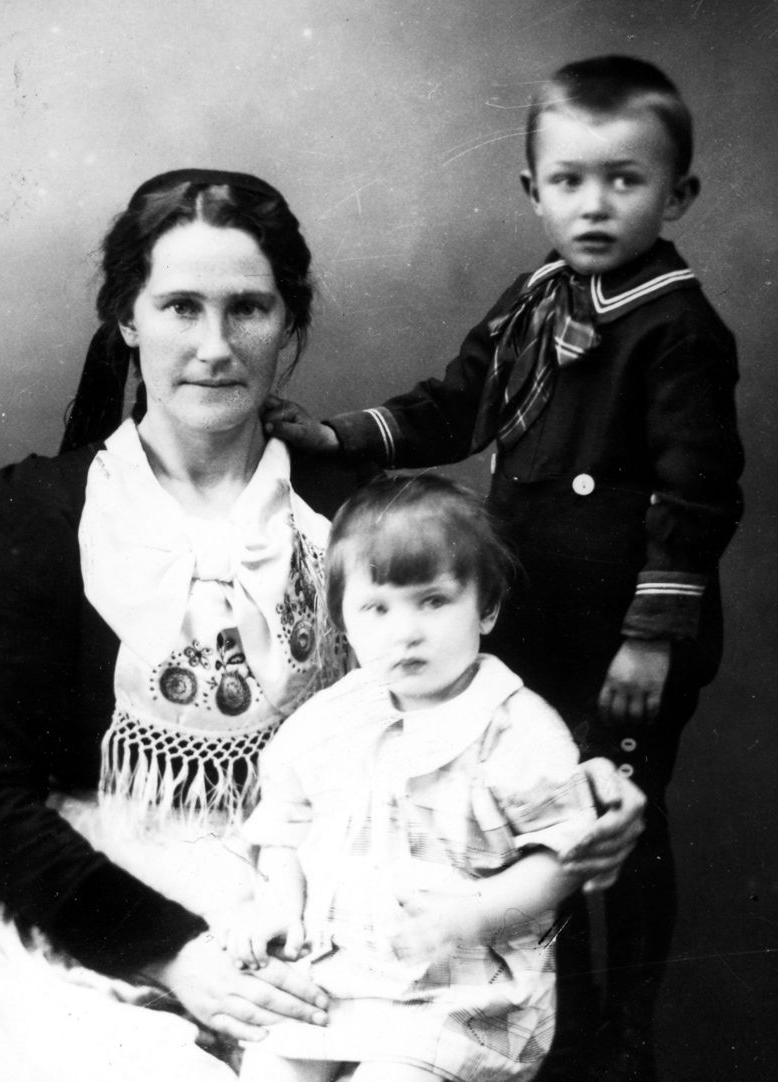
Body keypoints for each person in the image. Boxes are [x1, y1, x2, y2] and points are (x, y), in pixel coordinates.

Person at [0, 168, 643, 1081]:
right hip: (101, 923)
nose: (215, 347)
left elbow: (476, 683)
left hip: (331, 903)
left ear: (288, 321)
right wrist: (170, 955)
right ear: (127, 318)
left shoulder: (350, 508)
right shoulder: (47, 512)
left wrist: (589, 776)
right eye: (180, 307)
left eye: (248, 309)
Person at [262, 56, 745, 1082]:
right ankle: (554, 1016)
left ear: (677, 195)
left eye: (625, 180)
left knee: (612, 823)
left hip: (624, 635)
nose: (594, 204)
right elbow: (456, 403)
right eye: (569, 180)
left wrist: (649, 637)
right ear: (533, 191)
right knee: (528, 818)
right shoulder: (535, 296)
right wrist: (340, 434)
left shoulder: (677, 327)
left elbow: (700, 496)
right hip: (526, 614)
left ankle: (625, 1030)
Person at [227, 473, 596, 1082]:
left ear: (487, 608)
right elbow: (285, 825)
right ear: (344, 621)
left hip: (458, 995)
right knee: (268, 1069)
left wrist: (475, 912)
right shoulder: (330, 719)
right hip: (335, 976)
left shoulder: (513, 728)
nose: (406, 631)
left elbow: (564, 856)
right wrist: (280, 901)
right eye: (377, 608)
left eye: (433, 601)